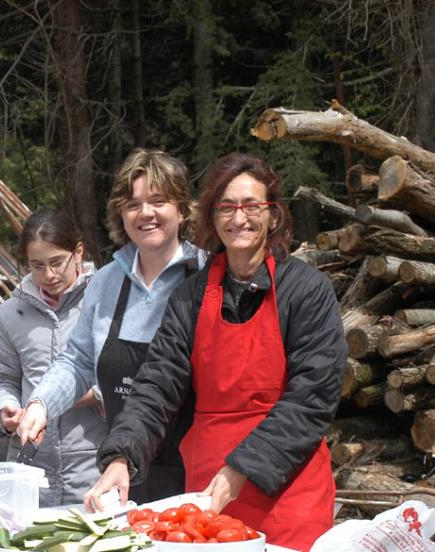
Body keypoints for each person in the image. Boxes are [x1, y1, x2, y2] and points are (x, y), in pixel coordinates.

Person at [87, 153, 345, 550]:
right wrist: (121, 456)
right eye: (226, 207)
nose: (239, 218)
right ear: (212, 217)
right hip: (208, 497)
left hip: (289, 490)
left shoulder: (307, 290)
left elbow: (313, 397)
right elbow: (156, 384)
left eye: (251, 206)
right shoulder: (190, 296)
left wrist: (242, 468)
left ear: (273, 215)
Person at [16, 149, 206, 504]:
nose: (145, 213)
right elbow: (78, 361)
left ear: (182, 210)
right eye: (133, 204)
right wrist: (41, 404)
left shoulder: (208, 279)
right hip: (124, 470)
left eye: (159, 201)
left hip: (198, 475)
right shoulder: (106, 282)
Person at [0, 209, 105, 506]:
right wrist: (5, 411)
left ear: (78, 252)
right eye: (37, 266)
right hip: (30, 470)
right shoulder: (13, 312)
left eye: (57, 262)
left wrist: (72, 396)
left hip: (93, 467)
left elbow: (124, 379)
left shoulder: (105, 301)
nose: (49, 275)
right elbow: (2, 379)